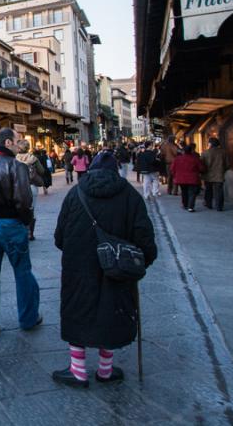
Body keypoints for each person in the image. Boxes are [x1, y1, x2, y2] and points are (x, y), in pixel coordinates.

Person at [52, 152, 157, 388]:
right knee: (112, 311)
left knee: (77, 311)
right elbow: (146, 240)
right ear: (115, 170)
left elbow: (59, 237)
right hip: (117, 269)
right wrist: (139, 264)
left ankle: (78, 371)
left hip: (78, 269)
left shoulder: (74, 194)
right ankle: (105, 370)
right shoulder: (130, 196)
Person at [0, 127, 41, 339]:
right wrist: (25, 222)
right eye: (17, 141)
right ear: (7, 143)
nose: (19, 144)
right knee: (22, 271)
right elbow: (24, 201)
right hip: (11, 224)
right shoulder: (17, 166)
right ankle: (28, 318)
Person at [16, 139, 46, 241]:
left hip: (18, 187)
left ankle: (21, 231)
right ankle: (30, 233)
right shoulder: (33, 158)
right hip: (32, 186)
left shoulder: (14, 158)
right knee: (32, 209)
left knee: (19, 209)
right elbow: (42, 171)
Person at [171, 144, 204, 212]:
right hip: (192, 178)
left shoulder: (178, 159)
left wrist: (175, 176)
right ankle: (190, 207)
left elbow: (172, 168)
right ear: (191, 151)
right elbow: (201, 168)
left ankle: (185, 204)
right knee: (192, 193)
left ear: (183, 151)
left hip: (181, 178)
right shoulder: (195, 159)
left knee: (184, 192)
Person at [201, 137, 229, 211]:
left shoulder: (205, 153)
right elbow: (228, 164)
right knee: (219, 191)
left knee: (208, 190)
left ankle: (208, 204)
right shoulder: (223, 152)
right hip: (219, 174)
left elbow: (201, 164)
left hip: (208, 175)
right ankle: (219, 206)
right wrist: (222, 170)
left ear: (210, 144)